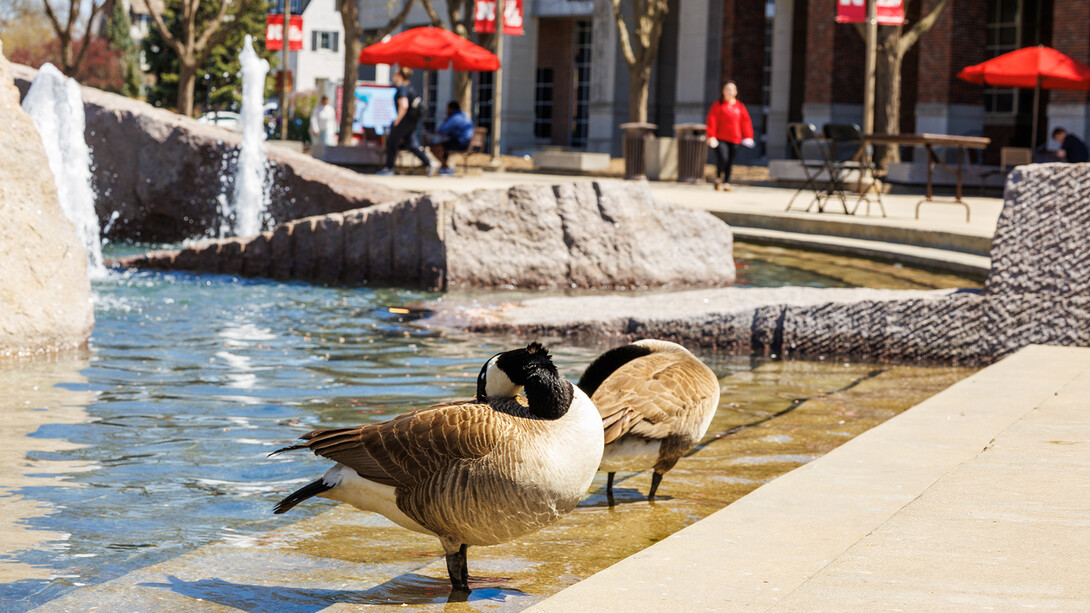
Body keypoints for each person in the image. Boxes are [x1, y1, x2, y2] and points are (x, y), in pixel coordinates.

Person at [377, 66, 438, 176]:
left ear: (400, 76)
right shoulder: (411, 88)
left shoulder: (402, 88)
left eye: (395, 73)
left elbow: (403, 105)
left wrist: (397, 120)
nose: (393, 75)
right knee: (412, 145)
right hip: (412, 122)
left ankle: (389, 168)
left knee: (392, 143)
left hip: (403, 121)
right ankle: (429, 163)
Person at [704, 81, 755, 191]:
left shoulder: (740, 106)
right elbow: (711, 120)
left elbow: (745, 122)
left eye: (732, 89)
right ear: (723, 91)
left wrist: (748, 136)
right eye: (727, 89)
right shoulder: (718, 105)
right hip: (720, 138)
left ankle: (726, 182)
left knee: (730, 161)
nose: (729, 91)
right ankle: (718, 178)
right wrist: (711, 136)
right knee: (723, 158)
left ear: (736, 92)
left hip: (735, 138)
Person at [427, 101, 474, 176]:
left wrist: (445, 120)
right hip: (465, 143)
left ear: (451, 109)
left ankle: (446, 167)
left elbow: (442, 130)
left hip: (460, 143)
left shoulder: (455, 118)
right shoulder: (464, 115)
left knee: (434, 147)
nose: (446, 111)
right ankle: (444, 167)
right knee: (444, 146)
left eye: (447, 109)